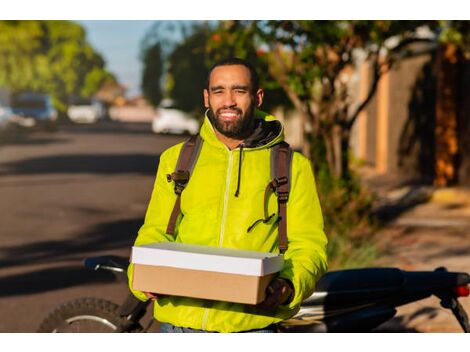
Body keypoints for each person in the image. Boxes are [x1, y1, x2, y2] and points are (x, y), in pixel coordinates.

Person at [128, 57, 328, 333]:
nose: (229, 101)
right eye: (219, 91)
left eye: (240, 90)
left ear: (257, 97)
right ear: (207, 98)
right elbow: (155, 232)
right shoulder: (176, 160)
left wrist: (289, 284)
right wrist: (141, 279)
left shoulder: (293, 166)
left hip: (252, 326)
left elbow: (309, 245)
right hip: (180, 324)